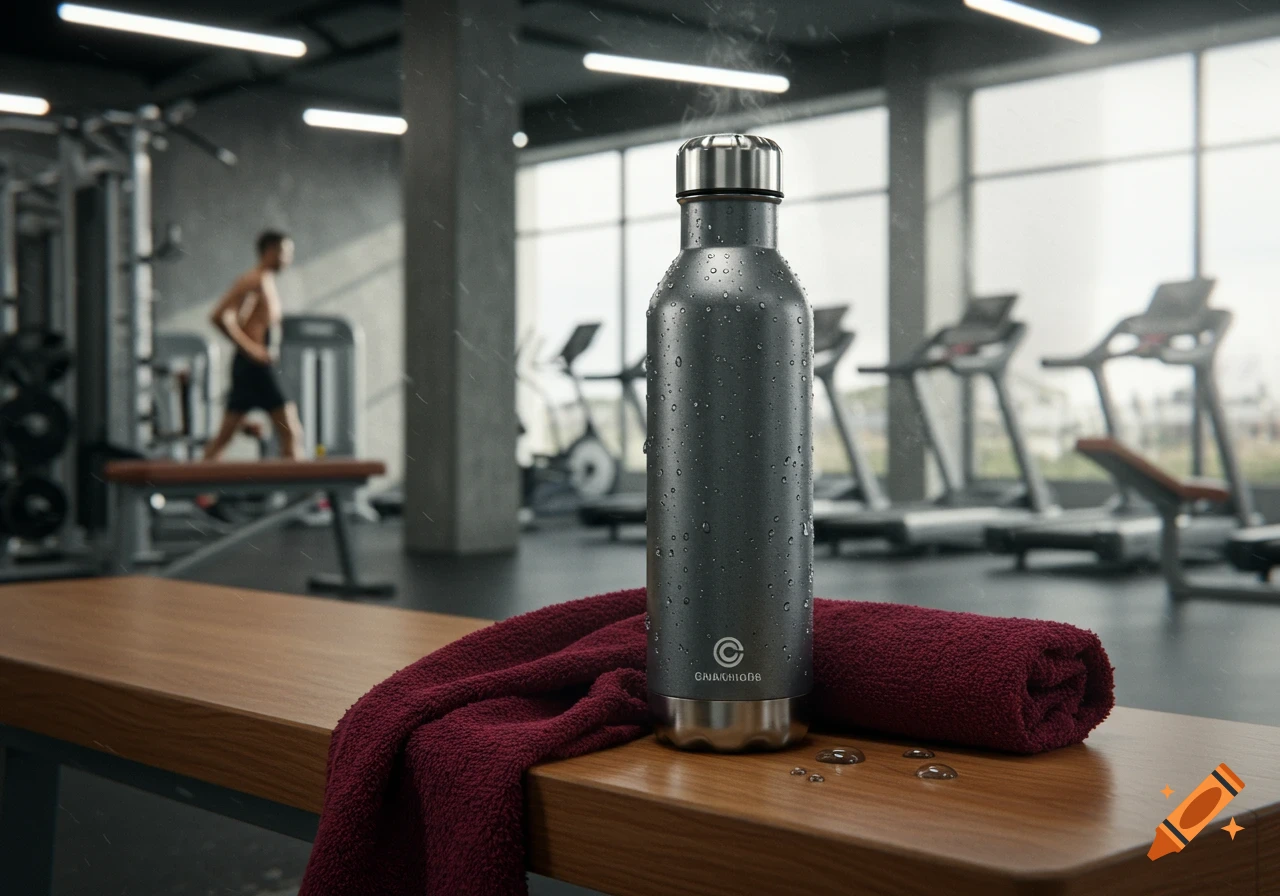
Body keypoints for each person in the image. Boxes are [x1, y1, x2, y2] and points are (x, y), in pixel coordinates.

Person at [204, 230, 304, 460]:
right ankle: (296, 492)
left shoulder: (264, 281)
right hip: (255, 367)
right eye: (284, 253)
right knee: (291, 432)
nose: (287, 259)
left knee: (224, 437)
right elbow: (220, 315)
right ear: (269, 251)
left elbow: (239, 319)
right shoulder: (254, 279)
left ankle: (198, 491)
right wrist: (253, 349)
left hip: (252, 366)